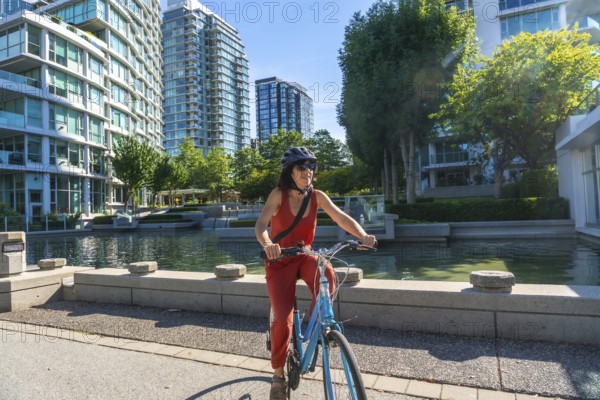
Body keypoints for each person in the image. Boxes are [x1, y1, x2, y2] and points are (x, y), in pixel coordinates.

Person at [254, 146, 377, 400]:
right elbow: (261, 225)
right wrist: (268, 246)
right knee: (282, 320)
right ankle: (278, 376)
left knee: (327, 272)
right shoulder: (278, 195)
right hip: (279, 259)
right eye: (302, 166)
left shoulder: (317, 196)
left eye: (311, 166)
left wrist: (362, 235)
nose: (308, 171)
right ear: (290, 171)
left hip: (305, 254)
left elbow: (341, 217)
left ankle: (319, 326)